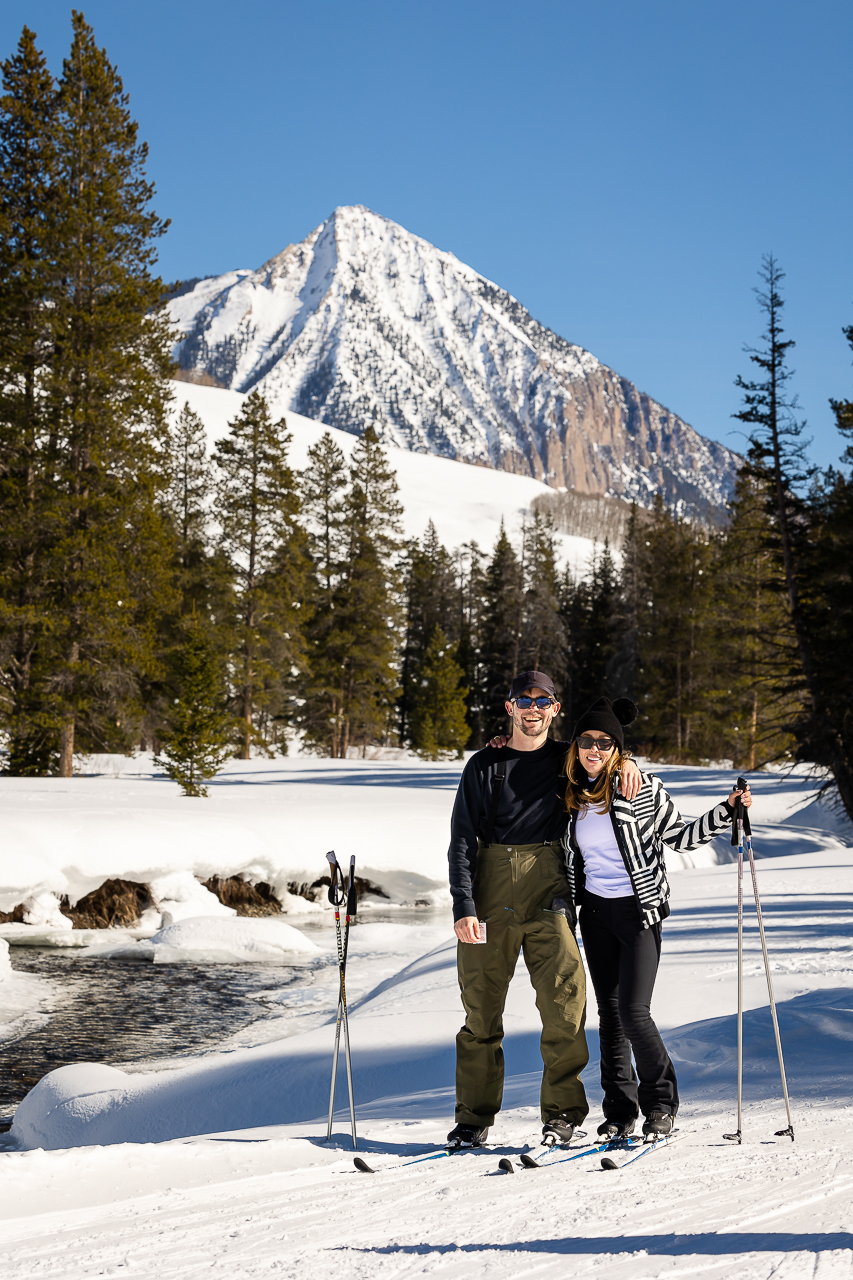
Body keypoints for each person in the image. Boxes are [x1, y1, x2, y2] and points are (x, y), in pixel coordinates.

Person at [446, 670, 642, 1149]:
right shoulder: (484, 766)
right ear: (509, 707)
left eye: (543, 701)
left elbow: (604, 755)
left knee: (564, 1004)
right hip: (489, 896)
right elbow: (462, 841)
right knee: (480, 1014)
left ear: (556, 710)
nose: (532, 709)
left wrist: (628, 762)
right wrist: (464, 905)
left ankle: (561, 1115)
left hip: (548, 890)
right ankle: (473, 1119)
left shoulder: (566, 761)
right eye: (523, 700)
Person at [563, 695, 753, 1140]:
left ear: (617, 749)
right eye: (586, 740)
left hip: (639, 910)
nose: (594, 749)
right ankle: (620, 1111)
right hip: (594, 912)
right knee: (609, 1017)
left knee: (634, 1012)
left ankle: (662, 1104)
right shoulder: (570, 790)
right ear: (576, 746)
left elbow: (683, 838)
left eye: (604, 743)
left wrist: (726, 810)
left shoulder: (642, 786)